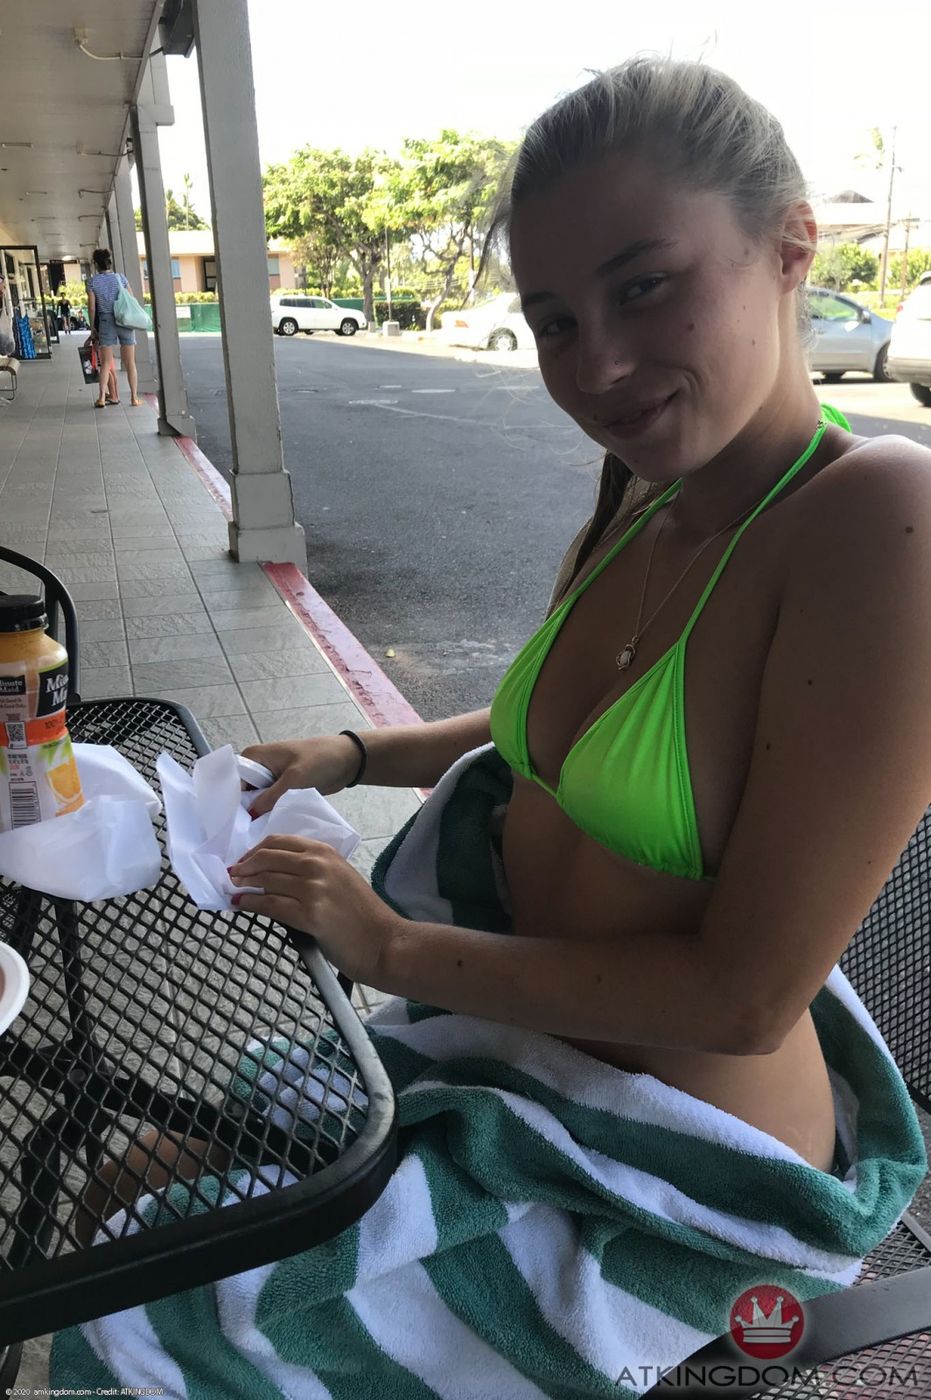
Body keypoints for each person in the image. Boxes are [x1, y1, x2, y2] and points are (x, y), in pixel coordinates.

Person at [52, 58, 927, 1396]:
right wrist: (353, 753)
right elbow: (556, 734)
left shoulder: (876, 516)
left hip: (673, 1178)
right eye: (554, 319)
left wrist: (388, 942)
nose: (598, 364)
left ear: (789, 244)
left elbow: (747, 998)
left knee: (157, 1309)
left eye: (644, 286)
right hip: (514, 1051)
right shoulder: (643, 496)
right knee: (129, 1179)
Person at [85, 248, 142, 408]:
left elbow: (91, 308)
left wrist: (92, 327)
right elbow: (131, 299)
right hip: (124, 320)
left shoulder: (92, 282)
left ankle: (102, 398)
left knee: (105, 363)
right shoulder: (121, 278)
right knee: (130, 363)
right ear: (109, 262)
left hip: (106, 321)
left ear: (96, 264)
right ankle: (134, 398)